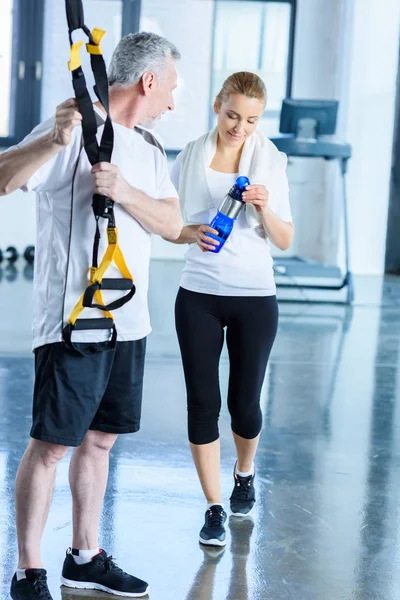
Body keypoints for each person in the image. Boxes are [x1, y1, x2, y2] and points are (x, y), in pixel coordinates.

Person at [0, 31, 182, 600]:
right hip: (74, 321)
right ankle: (29, 569)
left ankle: (85, 555)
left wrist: (124, 190)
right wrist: (54, 142)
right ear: (149, 82)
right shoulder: (74, 129)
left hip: (129, 323)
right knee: (52, 444)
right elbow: (4, 177)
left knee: (100, 441)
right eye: (172, 88)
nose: (174, 101)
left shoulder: (149, 148)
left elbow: (172, 225)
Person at [167, 72, 294, 547]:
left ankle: (245, 472)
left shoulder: (272, 162)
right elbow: (169, 224)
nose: (240, 127)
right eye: (232, 115)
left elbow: (284, 240)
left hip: (255, 296)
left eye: (252, 119)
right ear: (217, 105)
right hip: (198, 292)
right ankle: (214, 507)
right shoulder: (189, 156)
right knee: (202, 404)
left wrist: (263, 208)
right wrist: (189, 233)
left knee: (244, 404)